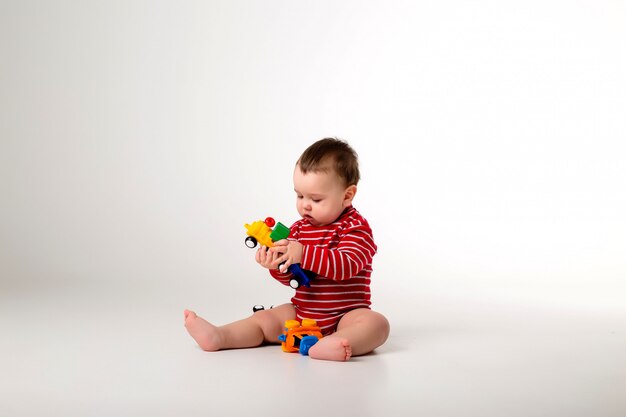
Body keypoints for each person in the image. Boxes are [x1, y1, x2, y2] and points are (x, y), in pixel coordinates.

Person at [184, 138, 389, 361]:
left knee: (376, 324)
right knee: (266, 319)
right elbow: (295, 276)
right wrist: (277, 266)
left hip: (346, 316)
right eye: (300, 195)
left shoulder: (355, 227)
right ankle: (220, 336)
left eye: (316, 199)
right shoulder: (298, 230)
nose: (305, 205)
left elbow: (346, 266)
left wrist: (304, 253)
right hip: (302, 312)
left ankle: (334, 343)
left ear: (347, 196)